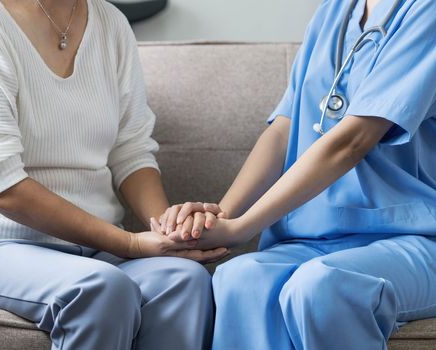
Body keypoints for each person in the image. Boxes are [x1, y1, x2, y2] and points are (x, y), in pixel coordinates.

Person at [0, 0, 228, 349]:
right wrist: (130, 244)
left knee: (184, 280)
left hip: (94, 252)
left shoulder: (110, 23)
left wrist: (170, 231)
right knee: (100, 289)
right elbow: (2, 187)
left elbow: (131, 149)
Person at [160, 0, 436, 348]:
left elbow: (352, 141)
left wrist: (244, 228)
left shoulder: (427, 12)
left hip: (417, 239)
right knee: (241, 277)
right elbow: (282, 132)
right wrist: (221, 219)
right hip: (316, 240)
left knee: (322, 287)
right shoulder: (335, 11)